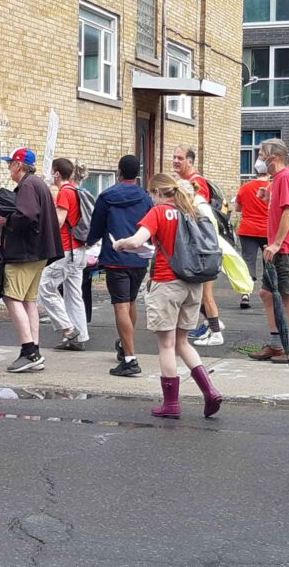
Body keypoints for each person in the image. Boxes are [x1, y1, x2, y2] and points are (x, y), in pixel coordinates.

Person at [113, 173, 223, 419]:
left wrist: (120, 244)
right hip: (193, 283)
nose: (151, 199)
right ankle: (210, 390)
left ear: (157, 192)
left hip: (166, 282)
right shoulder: (191, 211)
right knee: (183, 343)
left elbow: (137, 241)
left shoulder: (159, 212)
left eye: (151, 194)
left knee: (166, 345)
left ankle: (171, 404)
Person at [0, 147, 64, 373]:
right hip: (40, 252)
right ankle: (34, 350)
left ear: (18, 165)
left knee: (11, 297)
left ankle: (29, 352)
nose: (9, 168)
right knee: (28, 301)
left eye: (10, 164)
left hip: (24, 253)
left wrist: (8, 222)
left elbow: (26, 214)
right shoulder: (39, 184)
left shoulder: (27, 185)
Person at [86, 154, 154, 377]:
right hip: (140, 257)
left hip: (116, 257)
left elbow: (96, 227)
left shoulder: (107, 196)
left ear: (119, 172)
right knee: (132, 302)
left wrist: (89, 243)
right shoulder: (145, 197)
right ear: (138, 173)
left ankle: (130, 359)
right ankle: (126, 346)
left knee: (121, 306)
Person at [248, 139, 289, 363]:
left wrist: (276, 244)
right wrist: (268, 196)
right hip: (280, 246)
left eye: (262, 154)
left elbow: (288, 212)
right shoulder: (279, 179)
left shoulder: (285, 178)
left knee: (288, 296)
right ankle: (276, 344)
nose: (259, 158)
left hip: (285, 248)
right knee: (267, 293)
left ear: (274, 158)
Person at [173, 145, 225, 346]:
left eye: (180, 158)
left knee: (206, 295)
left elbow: (194, 215)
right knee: (200, 294)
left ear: (190, 162)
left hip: (203, 249)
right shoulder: (186, 182)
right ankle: (212, 326)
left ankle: (216, 331)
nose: (176, 161)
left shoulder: (196, 183)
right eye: (175, 157)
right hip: (201, 248)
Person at [37, 158, 91, 350]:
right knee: (74, 294)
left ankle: (68, 329)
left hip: (66, 250)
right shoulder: (76, 190)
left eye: (52, 172)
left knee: (45, 288)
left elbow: (58, 222)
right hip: (79, 250)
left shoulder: (64, 193)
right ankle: (79, 337)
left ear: (57, 173)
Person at [233, 157, 271, 310]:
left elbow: (237, 208)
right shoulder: (272, 186)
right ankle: (270, 291)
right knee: (269, 261)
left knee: (248, 261)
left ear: (255, 171)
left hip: (247, 229)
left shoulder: (245, 187)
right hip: (267, 229)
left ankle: (245, 294)